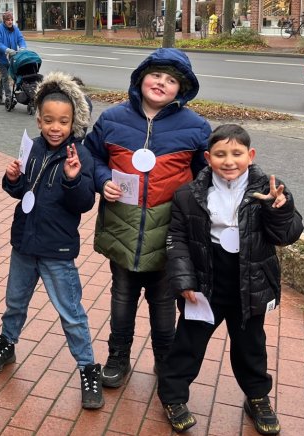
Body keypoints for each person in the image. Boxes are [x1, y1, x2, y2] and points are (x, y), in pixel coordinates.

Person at [157, 124, 303, 435]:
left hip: (249, 280)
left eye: (237, 153)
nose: (229, 161)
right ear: (208, 158)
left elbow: (287, 235)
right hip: (206, 279)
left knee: (251, 345)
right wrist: (184, 280)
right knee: (189, 342)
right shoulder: (189, 194)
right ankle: (173, 396)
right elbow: (177, 238)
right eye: (220, 154)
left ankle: (257, 397)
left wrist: (279, 209)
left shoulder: (271, 190)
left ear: (250, 155)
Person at [85, 48, 210, 388]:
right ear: (140, 77)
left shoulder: (197, 127)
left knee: (163, 302)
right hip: (122, 229)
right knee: (122, 298)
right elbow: (92, 157)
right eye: (156, 75)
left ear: (182, 89)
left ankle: (165, 360)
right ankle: (118, 356)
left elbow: (206, 177)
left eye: (171, 80)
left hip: (169, 235)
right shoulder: (112, 119)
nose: (161, 83)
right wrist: (102, 180)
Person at [0, 71, 103, 409]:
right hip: (24, 243)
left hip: (57, 250)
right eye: (48, 120)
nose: (55, 127)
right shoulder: (33, 147)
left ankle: (88, 369)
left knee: (71, 313)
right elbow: (22, 191)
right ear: (38, 120)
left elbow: (84, 203)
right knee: (14, 303)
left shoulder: (80, 156)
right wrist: (12, 179)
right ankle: (6, 345)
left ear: (73, 122)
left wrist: (73, 179)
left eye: (63, 121)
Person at [0, 11, 26, 105]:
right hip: (1, 58)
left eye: (11, 20)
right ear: (4, 21)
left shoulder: (15, 29)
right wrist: (7, 50)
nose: (10, 22)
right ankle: (8, 96)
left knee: (4, 77)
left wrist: (22, 47)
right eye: (8, 20)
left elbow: (20, 39)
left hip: (12, 58)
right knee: (5, 77)